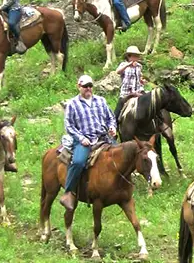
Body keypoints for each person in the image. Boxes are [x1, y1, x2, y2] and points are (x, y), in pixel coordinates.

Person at [59, 73, 117, 211]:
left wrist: (112, 127)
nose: (88, 89)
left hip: (103, 137)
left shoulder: (101, 101)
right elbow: (69, 125)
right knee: (78, 162)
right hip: (84, 140)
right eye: (85, 86)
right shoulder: (73, 104)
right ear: (79, 86)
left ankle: (118, 187)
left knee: (121, 155)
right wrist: (81, 138)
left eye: (90, 86)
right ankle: (68, 192)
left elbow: (111, 117)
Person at [114, 46, 146, 121]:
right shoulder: (123, 64)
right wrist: (128, 65)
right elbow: (118, 72)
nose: (136, 58)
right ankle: (114, 127)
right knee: (117, 113)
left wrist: (142, 81)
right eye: (134, 56)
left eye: (137, 56)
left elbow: (139, 77)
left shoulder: (139, 66)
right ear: (129, 56)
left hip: (138, 90)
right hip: (126, 92)